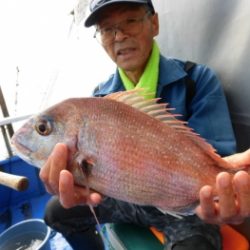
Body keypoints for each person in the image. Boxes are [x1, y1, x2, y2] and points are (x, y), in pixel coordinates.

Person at [40, 0, 250, 249]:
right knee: (56, 212)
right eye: (107, 29)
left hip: (186, 200)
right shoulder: (98, 99)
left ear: (154, 23)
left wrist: (226, 188)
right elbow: (98, 176)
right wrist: (76, 181)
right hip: (123, 195)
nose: (119, 36)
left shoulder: (197, 80)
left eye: (130, 20)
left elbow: (219, 159)